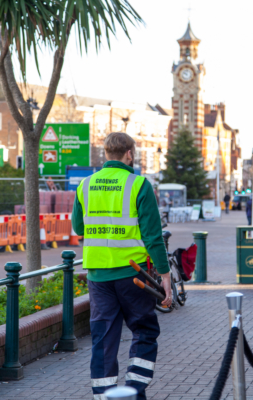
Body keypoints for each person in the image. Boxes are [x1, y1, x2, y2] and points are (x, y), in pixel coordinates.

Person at [72, 132, 172, 400]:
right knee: (145, 330)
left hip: (97, 276)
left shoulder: (85, 185)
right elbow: (153, 237)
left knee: (103, 339)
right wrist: (165, 276)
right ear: (129, 154)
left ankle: (105, 396)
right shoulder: (139, 185)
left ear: (106, 154)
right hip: (133, 276)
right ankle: (133, 392)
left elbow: (78, 227)